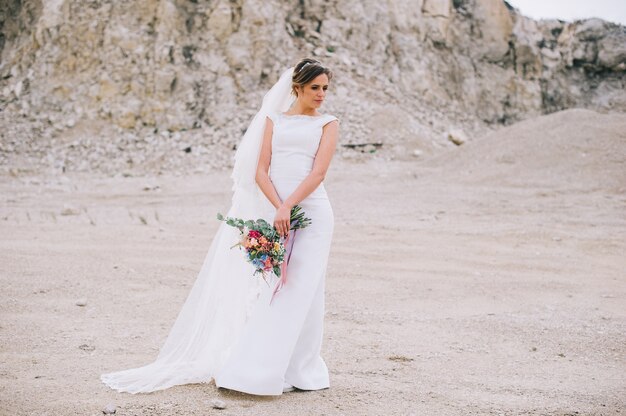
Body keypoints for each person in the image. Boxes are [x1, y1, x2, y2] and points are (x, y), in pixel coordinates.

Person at [100, 58, 340, 396]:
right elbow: (261, 170)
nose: (321, 94)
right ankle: (263, 367)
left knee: (305, 289)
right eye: (315, 87)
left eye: (325, 88)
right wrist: (277, 207)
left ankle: (300, 369)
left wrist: (288, 205)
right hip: (275, 212)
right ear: (297, 87)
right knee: (275, 288)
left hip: (312, 213)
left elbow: (318, 173)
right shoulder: (274, 119)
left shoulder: (328, 123)